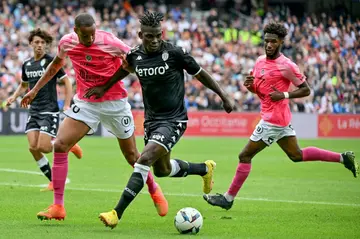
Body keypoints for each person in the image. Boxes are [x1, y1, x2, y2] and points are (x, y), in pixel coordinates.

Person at [84, 11, 234, 229]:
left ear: (161, 33)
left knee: (143, 160)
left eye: (157, 36)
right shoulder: (135, 55)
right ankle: (204, 168)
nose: (154, 41)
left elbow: (201, 74)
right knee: (162, 170)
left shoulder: (174, 53)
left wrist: (223, 96)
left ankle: (116, 213)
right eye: (149, 36)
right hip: (152, 121)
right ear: (140, 35)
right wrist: (104, 87)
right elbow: (123, 70)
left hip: (174, 120)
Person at [20, 13, 167, 221]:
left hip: (115, 104)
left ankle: (154, 188)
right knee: (60, 145)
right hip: (87, 103)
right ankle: (58, 206)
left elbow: (135, 60)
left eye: (92, 34)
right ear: (75, 31)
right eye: (85, 35)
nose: (89, 39)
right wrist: (34, 90)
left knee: (133, 157)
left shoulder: (109, 41)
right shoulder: (67, 43)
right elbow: (54, 66)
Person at [203, 22, 359, 210]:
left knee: (244, 155)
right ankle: (343, 158)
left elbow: (306, 90)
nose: (269, 45)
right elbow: (260, 91)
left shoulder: (287, 66)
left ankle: (228, 199)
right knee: (296, 155)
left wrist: (284, 95)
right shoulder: (260, 61)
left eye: (273, 41)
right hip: (279, 118)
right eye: (266, 41)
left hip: (273, 121)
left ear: (281, 42)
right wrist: (250, 86)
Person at [6, 28, 83, 192]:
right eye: (36, 42)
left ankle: (67, 145)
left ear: (46, 45)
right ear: (31, 44)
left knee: (44, 147)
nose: (40, 45)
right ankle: (53, 181)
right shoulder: (27, 64)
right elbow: (24, 84)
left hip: (49, 110)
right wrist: (14, 96)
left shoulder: (51, 62)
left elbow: (67, 82)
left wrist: (67, 104)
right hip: (34, 110)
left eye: (42, 42)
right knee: (33, 148)